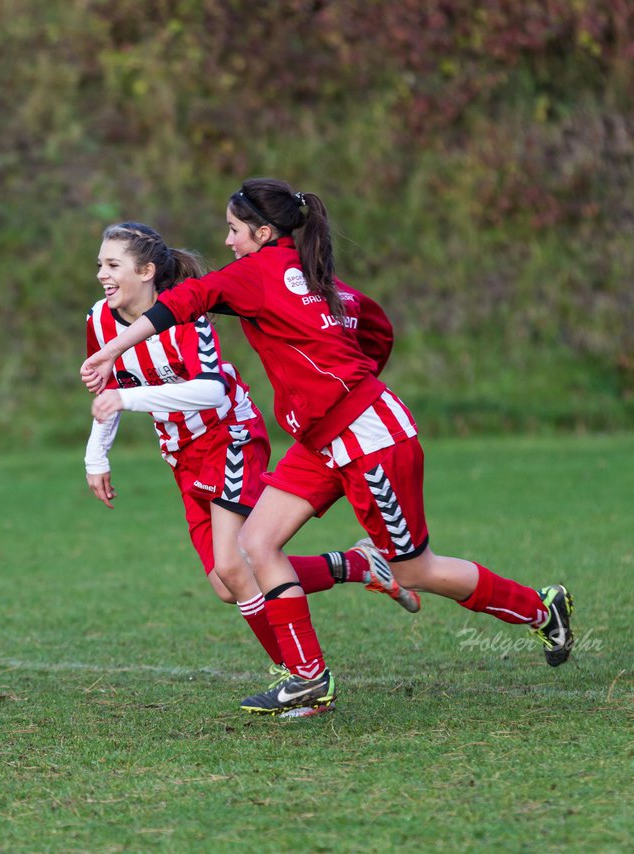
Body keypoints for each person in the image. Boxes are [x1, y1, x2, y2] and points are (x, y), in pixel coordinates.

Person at [81, 181, 575, 716]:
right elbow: (376, 326)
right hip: (321, 440)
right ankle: (309, 679)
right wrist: (349, 383)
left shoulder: (261, 272)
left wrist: (110, 351)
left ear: (263, 233)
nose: (226, 242)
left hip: (369, 440)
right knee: (255, 545)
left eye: (233, 230)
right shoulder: (315, 278)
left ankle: (540, 608)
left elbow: (184, 301)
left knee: (415, 570)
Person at [83, 222, 419, 710]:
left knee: (233, 564)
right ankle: (356, 564)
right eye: (99, 264)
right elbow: (105, 393)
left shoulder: (185, 317)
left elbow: (211, 390)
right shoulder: (99, 319)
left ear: (147, 271)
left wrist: (126, 399)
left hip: (230, 437)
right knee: (226, 583)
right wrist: (97, 455)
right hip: (181, 454)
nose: (101, 275)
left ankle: (302, 681)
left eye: (112, 265)